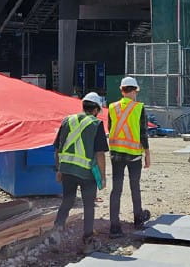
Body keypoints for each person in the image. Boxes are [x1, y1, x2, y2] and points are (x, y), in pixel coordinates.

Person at [52, 91, 108, 252]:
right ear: (97, 110)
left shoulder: (67, 120)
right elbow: (100, 154)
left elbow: (57, 148)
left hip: (68, 170)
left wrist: (59, 169)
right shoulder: (96, 124)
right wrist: (102, 177)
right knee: (89, 206)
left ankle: (57, 230)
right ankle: (88, 242)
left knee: (67, 201)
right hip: (87, 174)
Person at [108, 76, 151, 237]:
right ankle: (138, 221)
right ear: (134, 91)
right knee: (135, 187)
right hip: (133, 155)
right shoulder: (139, 108)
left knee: (116, 190)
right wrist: (147, 154)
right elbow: (143, 133)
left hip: (116, 154)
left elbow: (110, 127)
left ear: (121, 90)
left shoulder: (112, 107)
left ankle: (114, 227)